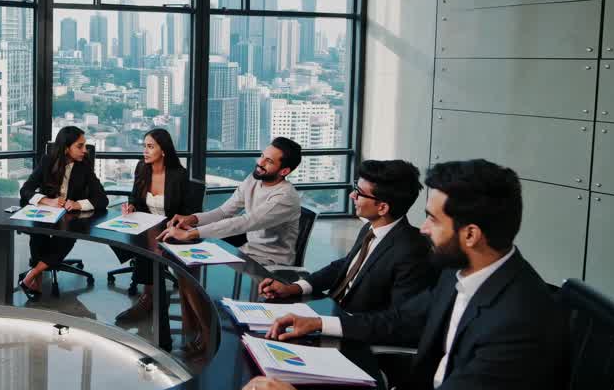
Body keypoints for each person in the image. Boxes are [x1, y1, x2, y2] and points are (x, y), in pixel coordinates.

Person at [239, 160, 570, 390]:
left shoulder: (516, 320)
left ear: (470, 235)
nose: (423, 229)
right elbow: (401, 320)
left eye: (433, 219)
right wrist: (318, 324)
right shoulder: (462, 274)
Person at [258, 159, 435, 313]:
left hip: (352, 331)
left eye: (359, 192)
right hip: (330, 311)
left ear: (382, 207)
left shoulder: (412, 250)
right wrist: (295, 288)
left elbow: (399, 319)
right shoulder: (370, 229)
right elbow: (346, 265)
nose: (352, 195)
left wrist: (328, 324)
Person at [111, 129, 197, 349]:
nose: (145, 151)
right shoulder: (142, 168)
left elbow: (189, 210)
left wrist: (175, 224)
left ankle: (150, 299)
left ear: (164, 150)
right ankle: (149, 295)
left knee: (149, 248)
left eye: (150, 146)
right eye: (144, 146)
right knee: (124, 240)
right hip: (146, 225)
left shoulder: (178, 175)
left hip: (172, 230)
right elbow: (135, 197)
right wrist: (130, 207)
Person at [158, 137, 304, 267]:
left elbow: (244, 222)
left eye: (269, 161)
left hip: (271, 262)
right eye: (262, 156)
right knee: (187, 265)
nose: (260, 162)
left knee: (197, 269)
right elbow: (224, 212)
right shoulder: (254, 179)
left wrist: (190, 234)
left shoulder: (284, 198)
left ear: (284, 171)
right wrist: (193, 219)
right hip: (247, 252)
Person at [18, 126, 108, 301]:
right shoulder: (47, 162)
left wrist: (78, 204)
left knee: (66, 235)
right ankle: (37, 279)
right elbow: (26, 190)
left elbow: (102, 199)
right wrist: (46, 200)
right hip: (46, 214)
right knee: (38, 235)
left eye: (85, 146)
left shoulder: (85, 166)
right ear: (66, 148)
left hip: (70, 218)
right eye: (80, 146)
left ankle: (32, 274)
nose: (85, 151)